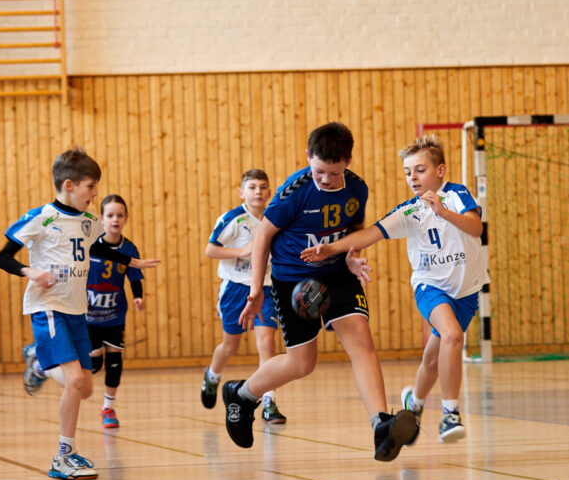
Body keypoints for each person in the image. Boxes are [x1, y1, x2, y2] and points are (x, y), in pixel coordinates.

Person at [222, 122, 418, 461]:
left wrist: (353, 258)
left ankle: (380, 426)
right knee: (303, 363)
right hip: (293, 281)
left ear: (347, 162)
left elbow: (355, 229)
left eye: (332, 172)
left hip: (337, 271)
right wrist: (256, 289)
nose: (324, 179)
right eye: (318, 171)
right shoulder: (294, 191)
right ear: (308, 158)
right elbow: (263, 238)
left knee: (360, 339)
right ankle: (241, 395)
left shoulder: (357, 188)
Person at [301, 134, 488, 442]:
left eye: (419, 170)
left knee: (433, 358)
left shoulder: (457, 195)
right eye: (407, 171)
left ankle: (413, 404)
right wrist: (332, 248)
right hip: (431, 287)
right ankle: (450, 415)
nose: (412, 177)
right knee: (453, 335)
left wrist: (443, 212)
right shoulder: (409, 211)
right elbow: (370, 234)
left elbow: (475, 228)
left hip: (465, 292)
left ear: (440, 171)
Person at [0, 148, 159, 480]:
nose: (95, 194)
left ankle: (39, 365)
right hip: (48, 307)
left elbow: (97, 247)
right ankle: (63, 456)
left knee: (84, 388)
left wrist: (132, 263)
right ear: (69, 185)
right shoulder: (41, 218)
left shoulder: (90, 222)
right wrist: (31, 272)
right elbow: (3, 257)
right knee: (74, 381)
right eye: (90, 187)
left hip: (76, 311)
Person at [200, 169, 286, 424]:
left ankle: (269, 402)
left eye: (262, 187)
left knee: (266, 343)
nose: (258, 191)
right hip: (235, 289)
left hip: (266, 287)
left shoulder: (276, 219)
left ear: (269, 192)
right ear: (242, 193)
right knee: (231, 345)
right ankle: (213, 376)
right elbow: (210, 250)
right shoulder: (233, 219)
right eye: (252, 187)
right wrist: (242, 251)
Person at [86, 194, 148, 430]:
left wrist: (138, 297)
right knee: (93, 365)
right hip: (89, 316)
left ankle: (108, 407)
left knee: (114, 362)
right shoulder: (91, 246)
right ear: (101, 218)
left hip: (114, 315)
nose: (115, 219)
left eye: (119, 215)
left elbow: (134, 276)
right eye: (110, 215)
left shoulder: (129, 248)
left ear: (126, 218)